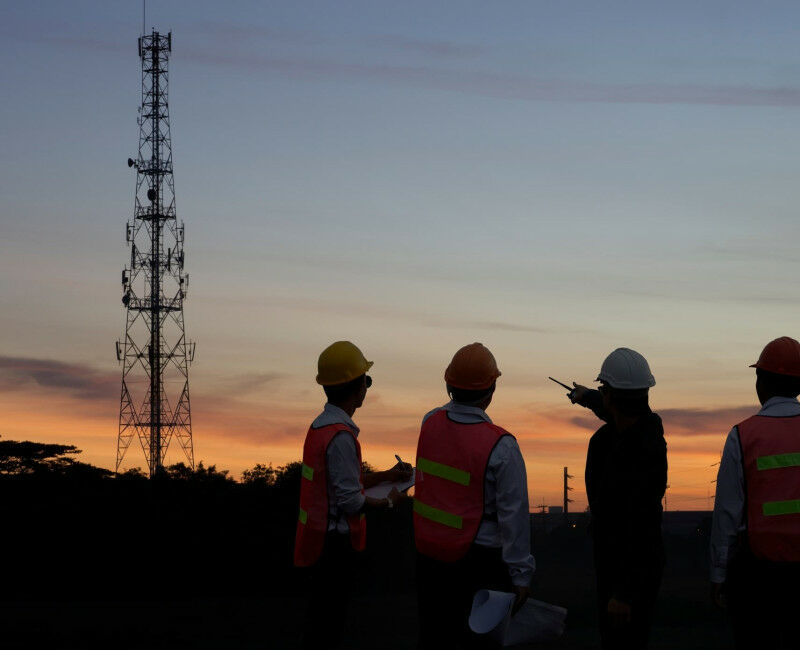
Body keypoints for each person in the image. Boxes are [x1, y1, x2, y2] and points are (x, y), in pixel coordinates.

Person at [413, 342, 535, 649]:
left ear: (448, 385)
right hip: (479, 563)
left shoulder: (430, 422)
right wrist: (521, 576)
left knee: (435, 638)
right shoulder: (503, 447)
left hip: (429, 557)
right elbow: (514, 517)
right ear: (491, 390)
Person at [294, 340, 412, 649]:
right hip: (334, 547)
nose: (367, 387)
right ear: (357, 387)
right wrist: (390, 500)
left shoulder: (321, 428)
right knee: (328, 627)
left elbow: (340, 483)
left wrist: (387, 476)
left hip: (318, 540)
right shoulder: (341, 437)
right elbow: (351, 501)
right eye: (366, 381)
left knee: (320, 623)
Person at [568, 348, 667, 650]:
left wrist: (624, 593)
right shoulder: (645, 429)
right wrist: (587, 396)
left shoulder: (632, 452)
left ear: (611, 396)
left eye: (603, 390)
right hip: (627, 571)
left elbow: (640, 527)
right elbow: (618, 408)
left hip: (627, 578)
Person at [710, 336, 800, 650]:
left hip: (757, 577)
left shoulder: (743, 435)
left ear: (761, 380)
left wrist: (718, 574)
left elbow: (726, 515)